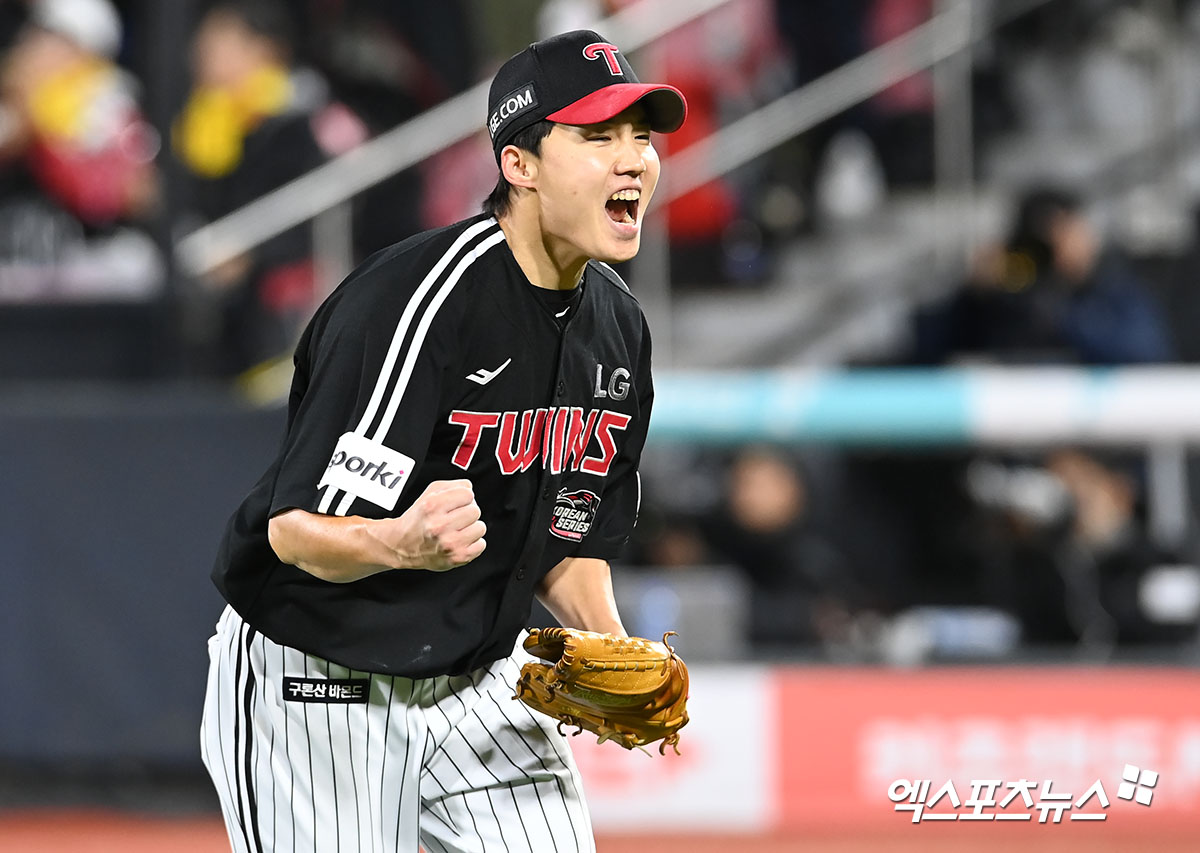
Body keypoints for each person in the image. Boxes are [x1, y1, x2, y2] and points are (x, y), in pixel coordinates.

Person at [200, 28, 686, 853]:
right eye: (598, 136)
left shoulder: (617, 327)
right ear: (519, 165)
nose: (633, 157)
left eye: (641, 135)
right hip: (322, 679)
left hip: (478, 678)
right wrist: (398, 540)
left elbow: (567, 539)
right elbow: (295, 531)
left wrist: (613, 644)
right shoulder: (416, 303)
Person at [174, 0, 365, 377]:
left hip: (286, 310)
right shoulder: (202, 123)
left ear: (266, 49)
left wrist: (250, 253)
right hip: (225, 314)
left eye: (222, 39)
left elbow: (324, 213)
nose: (202, 51)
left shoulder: (305, 120)